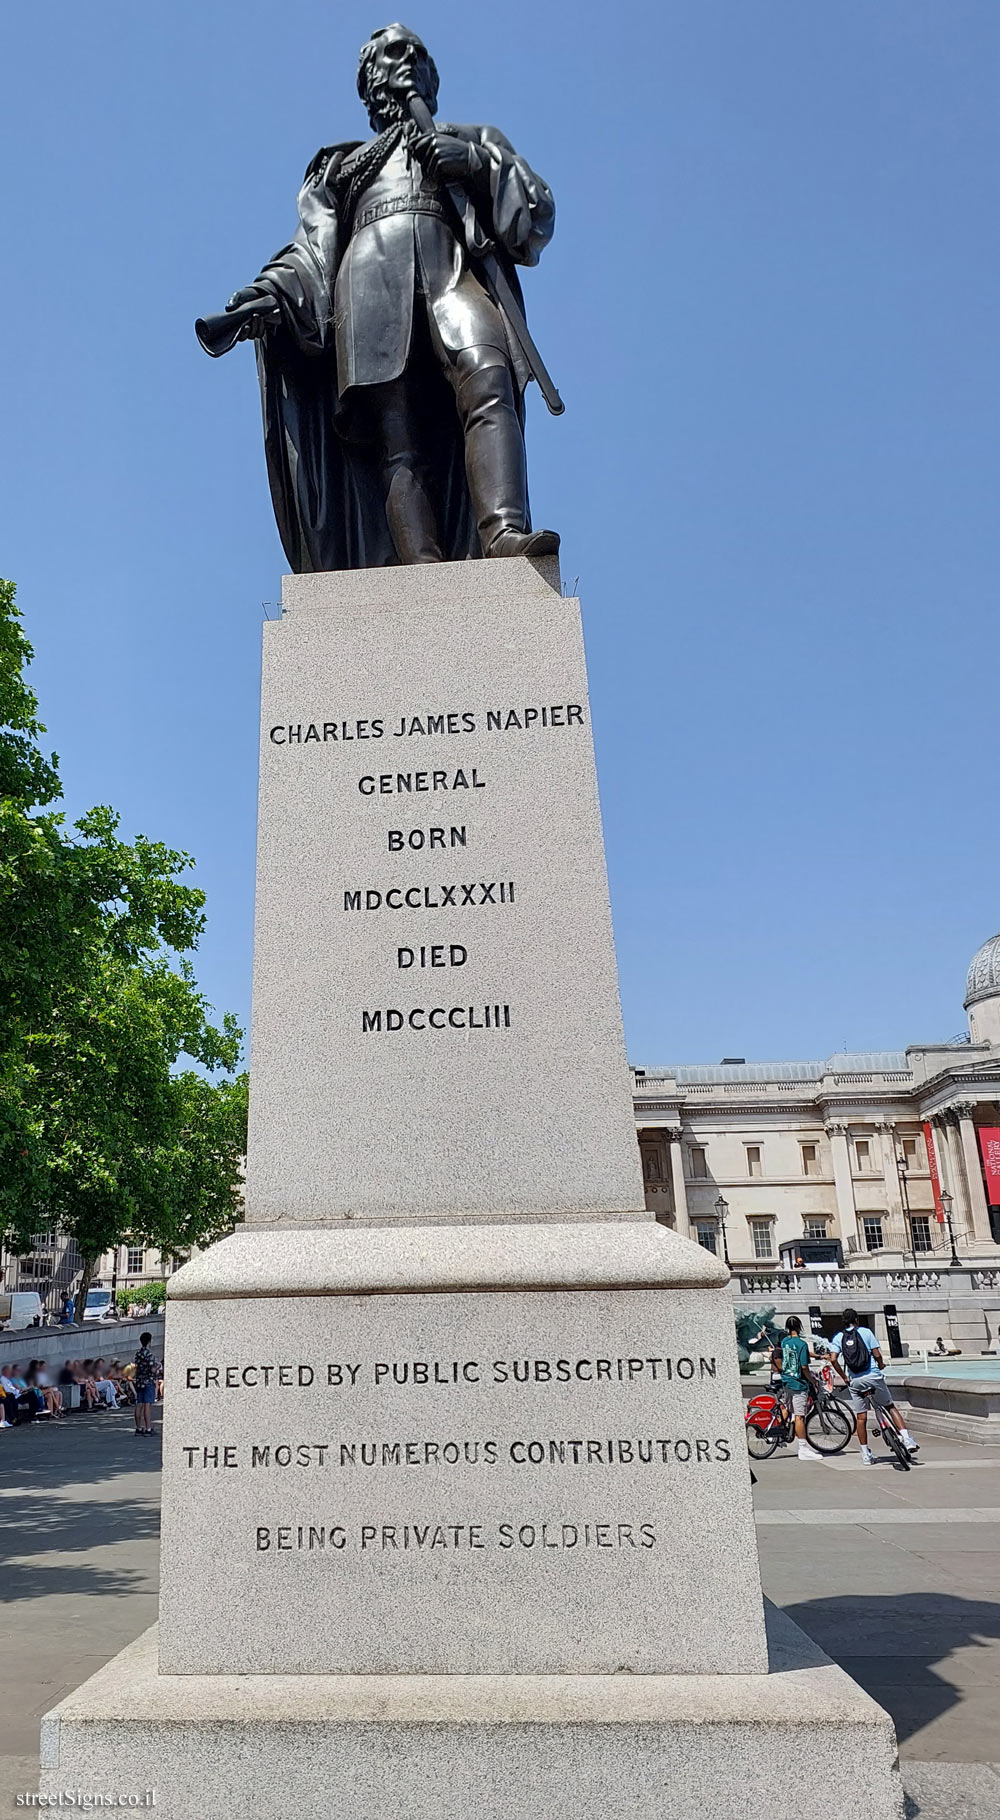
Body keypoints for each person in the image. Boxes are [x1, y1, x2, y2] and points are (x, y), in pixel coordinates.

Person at [206, 24, 559, 570]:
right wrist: (272, 295)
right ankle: (421, 567)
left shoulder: (474, 137)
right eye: (396, 52)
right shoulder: (341, 165)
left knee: (489, 373)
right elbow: (312, 249)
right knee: (395, 436)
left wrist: (474, 164)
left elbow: (532, 218)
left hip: (452, 268)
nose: (411, 60)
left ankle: (504, 533)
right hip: (367, 280)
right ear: (370, 79)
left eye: (419, 54)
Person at [826, 1308, 919, 1464]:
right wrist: (881, 1364)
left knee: (861, 1418)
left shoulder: (839, 1337)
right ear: (857, 1319)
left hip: (855, 1381)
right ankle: (906, 1439)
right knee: (890, 1406)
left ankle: (865, 1454)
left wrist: (844, 1377)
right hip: (873, 1376)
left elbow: (833, 1359)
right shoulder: (866, 1332)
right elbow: (876, 1353)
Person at [778, 1317, 824, 1462]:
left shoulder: (785, 1342)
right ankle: (803, 1449)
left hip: (786, 1380)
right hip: (798, 1383)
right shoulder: (802, 1344)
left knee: (787, 1407)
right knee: (799, 1416)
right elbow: (804, 1367)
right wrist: (812, 1381)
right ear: (799, 1327)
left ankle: (776, 1432)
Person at [133, 1332, 159, 1434]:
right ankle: (148, 1428)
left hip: (139, 1381)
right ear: (149, 1341)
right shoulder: (149, 1354)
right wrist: (158, 1367)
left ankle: (138, 1428)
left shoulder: (138, 1353)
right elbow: (152, 1369)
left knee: (139, 1403)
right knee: (147, 1404)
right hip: (148, 1380)